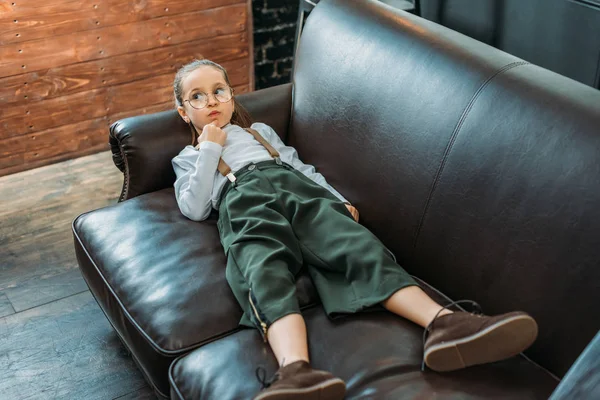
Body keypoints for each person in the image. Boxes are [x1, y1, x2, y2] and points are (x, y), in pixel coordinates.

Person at [171, 59, 539, 400]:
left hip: (297, 191)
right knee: (261, 269)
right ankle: (296, 372)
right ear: (184, 112)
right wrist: (209, 151)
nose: (211, 101)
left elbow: (300, 167)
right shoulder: (188, 158)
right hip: (243, 200)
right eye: (197, 97)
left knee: (356, 246)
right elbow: (194, 206)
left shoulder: (260, 131)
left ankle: (446, 325)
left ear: (232, 96)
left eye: (219, 90)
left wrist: (335, 198)